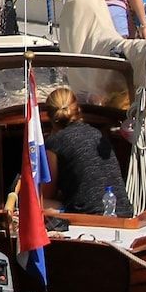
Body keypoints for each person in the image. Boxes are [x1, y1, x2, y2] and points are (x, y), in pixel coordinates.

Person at [40, 83, 132, 217]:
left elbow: (47, 194)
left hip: (90, 216)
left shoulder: (54, 143)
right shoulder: (98, 135)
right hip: (124, 213)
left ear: (50, 117)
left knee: (36, 202)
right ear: (78, 110)